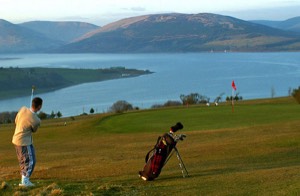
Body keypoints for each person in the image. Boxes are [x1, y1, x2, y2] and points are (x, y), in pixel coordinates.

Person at [12, 97, 43, 187]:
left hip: (16, 139)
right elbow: (34, 130)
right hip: (23, 142)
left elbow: (16, 120)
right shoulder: (36, 120)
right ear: (39, 107)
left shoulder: (23, 109)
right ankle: (25, 181)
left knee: (24, 160)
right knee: (30, 161)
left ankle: (24, 180)